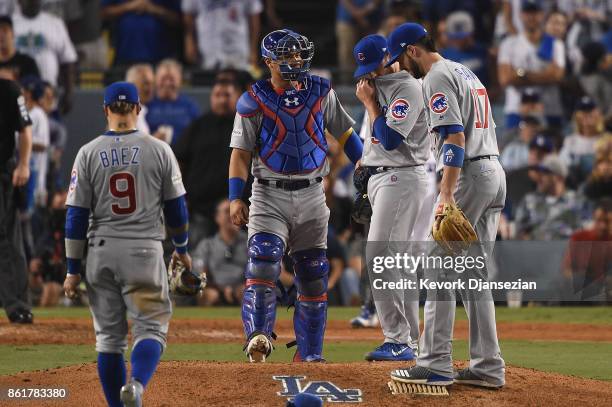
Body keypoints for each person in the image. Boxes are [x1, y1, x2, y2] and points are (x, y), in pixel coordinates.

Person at [229, 29, 363, 363]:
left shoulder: (320, 92)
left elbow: (346, 134)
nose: (295, 61)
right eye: (287, 56)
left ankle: (310, 354)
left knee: (314, 273)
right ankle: (258, 337)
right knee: (263, 259)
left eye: (298, 55)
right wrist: (235, 197)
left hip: (313, 193)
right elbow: (240, 154)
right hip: (268, 193)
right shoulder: (253, 99)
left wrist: (364, 168)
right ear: (268, 61)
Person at [385, 23, 506, 389]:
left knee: (437, 264)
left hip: (468, 173)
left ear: (412, 50)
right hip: (494, 169)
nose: (401, 67)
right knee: (473, 275)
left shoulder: (437, 76)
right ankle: (488, 367)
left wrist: (446, 194)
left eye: (400, 58)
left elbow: (454, 136)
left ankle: (435, 362)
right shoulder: (464, 71)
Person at [62, 82, 190, 407]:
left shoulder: (87, 152)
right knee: (151, 328)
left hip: (100, 251)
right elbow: (177, 209)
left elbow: (75, 218)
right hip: (144, 250)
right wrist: (182, 247)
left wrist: (72, 270)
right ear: (138, 108)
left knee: (108, 339)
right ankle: (136, 383)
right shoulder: (160, 149)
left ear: (105, 110)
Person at [352, 34, 430, 361]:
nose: (372, 74)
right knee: (397, 264)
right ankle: (410, 341)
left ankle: (398, 339)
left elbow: (390, 139)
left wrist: (370, 104)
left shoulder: (406, 87)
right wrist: (362, 168)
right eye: (368, 70)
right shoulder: (373, 85)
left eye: (376, 67)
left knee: (380, 256)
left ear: (389, 58)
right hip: (382, 179)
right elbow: (369, 141)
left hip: (401, 177)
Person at [174, 79, 240, 245]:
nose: (222, 99)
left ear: (237, 98)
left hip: (237, 210)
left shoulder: (245, 126)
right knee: (197, 260)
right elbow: (179, 161)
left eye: (227, 95)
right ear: (211, 98)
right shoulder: (197, 126)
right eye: (218, 95)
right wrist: (180, 197)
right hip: (200, 209)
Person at [498, 0, 566, 129]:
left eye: (535, 12)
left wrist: (521, 74)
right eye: (527, 12)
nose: (531, 17)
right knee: (515, 147)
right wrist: (544, 76)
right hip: (516, 109)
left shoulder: (555, 43)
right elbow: (505, 79)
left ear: (542, 15)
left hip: (550, 109)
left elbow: (557, 77)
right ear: (521, 15)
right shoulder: (509, 43)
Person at [0, 76, 32, 324]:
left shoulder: (9, 89)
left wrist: (23, 164)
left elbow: (25, 130)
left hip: (3, 170)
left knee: (8, 238)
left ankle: (17, 304)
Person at [12, 0, 77, 113]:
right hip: (16, 96)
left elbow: (68, 61)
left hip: (47, 95)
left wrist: (69, 94)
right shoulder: (9, 25)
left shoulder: (54, 23)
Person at [514, 155, 583, 240]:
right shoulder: (529, 201)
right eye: (539, 173)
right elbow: (519, 233)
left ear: (558, 177)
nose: (539, 177)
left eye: (545, 173)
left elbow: (582, 233)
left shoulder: (576, 201)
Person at [193, 199, 248, 306]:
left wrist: (241, 288)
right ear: (217, 217)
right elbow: (200, 275)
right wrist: (222, 290)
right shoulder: (207, 245)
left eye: (237, 211)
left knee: (249, 293)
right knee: (208, 294)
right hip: (216, 291)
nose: (232, 215)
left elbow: (260, 273)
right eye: (227, 211)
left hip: (243, 289)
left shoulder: (251, 243)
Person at [183, 0, 262, 70]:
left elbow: (254, 17)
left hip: (237, 48)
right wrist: (189, 40)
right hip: (208, 49)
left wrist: (253, 50)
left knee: (239, 83)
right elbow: (189, 14)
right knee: (209, 83)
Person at [101, 0, 180, 66]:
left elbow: (179, 20)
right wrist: (129, 6)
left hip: (160, 59)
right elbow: (102, 13)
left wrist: (154, 9)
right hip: (124, 57)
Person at [146, 59, 200, 145]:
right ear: (156, 79)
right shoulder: (146, 104)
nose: (167, 83)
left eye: (172, 79)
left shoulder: (190, 106)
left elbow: (198, 135)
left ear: (180, 80)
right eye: (163, 78)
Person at [560, 96, 605, 186]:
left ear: (598, 114)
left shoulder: (607, 140)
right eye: (582, 110)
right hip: (575, 184)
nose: (586, 114)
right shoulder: (570, 141)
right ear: (576, 116)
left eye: (590, 110)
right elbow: (562, 167)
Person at [440, 11, 490, 86]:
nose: (459, 41)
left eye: (463, 37)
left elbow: (495, 85)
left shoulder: (483, 51)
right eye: (455, 37)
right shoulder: (443, 55)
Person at [0, 16, 39, 80]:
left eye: (5, 30)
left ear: (13, 34)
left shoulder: (27, 62)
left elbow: (38, 88)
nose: (1, 34)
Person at [125, 63, 155, 134]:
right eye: (146, 84)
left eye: (152, 84)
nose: (150, 89)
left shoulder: (140, 110)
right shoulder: (123, 112)